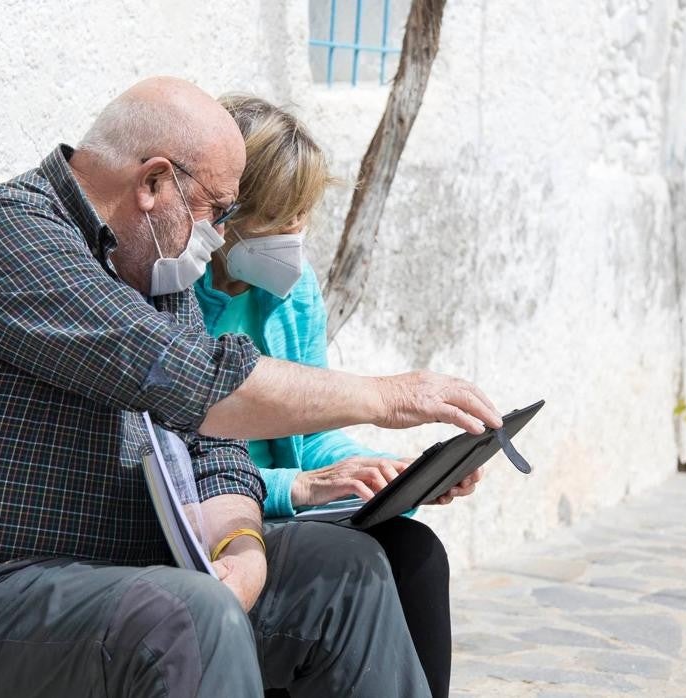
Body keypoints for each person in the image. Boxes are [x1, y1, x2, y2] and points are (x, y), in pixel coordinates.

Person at [0, 76, 501, 698]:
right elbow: (197, 384)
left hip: (109, 580)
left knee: (348, 573)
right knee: (189, 616)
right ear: (154, 181)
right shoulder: (2, 233)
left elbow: (215, 445)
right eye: (214, 210)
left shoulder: (156, 273)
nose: (214, 239)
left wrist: (239, 546)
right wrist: (390, 398)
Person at [195, 93, 478, 698]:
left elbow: (314, 428)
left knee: (418, 551)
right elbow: (175, 457)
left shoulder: (294, 294)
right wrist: (296, 487)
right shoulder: (175, 301)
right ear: (228, 215)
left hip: (299, 508)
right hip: (230, 521)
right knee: (355, 569)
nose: (298, 234)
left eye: (304, 215)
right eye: (283, 217)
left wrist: (381, 476)